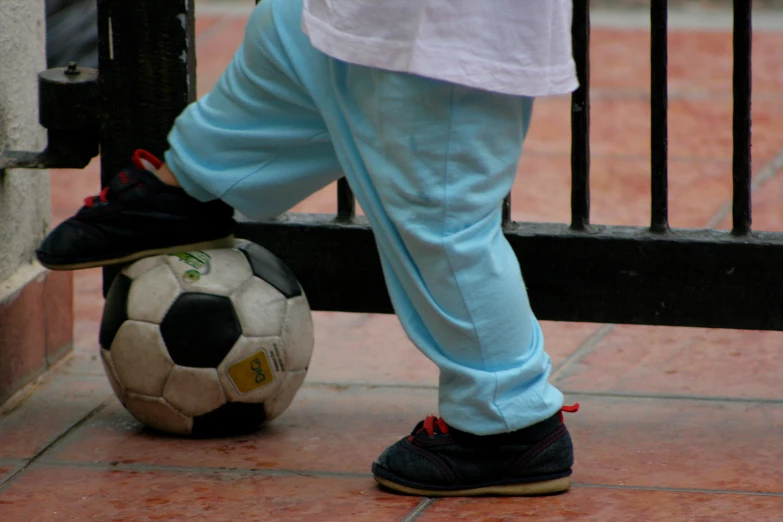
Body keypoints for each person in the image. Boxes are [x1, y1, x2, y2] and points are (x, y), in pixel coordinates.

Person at [37, 0, 580, 497]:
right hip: (368, 15)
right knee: (290, 34)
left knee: (441, 217)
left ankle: (510, 421)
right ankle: (185, 192)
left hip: (449, 33)